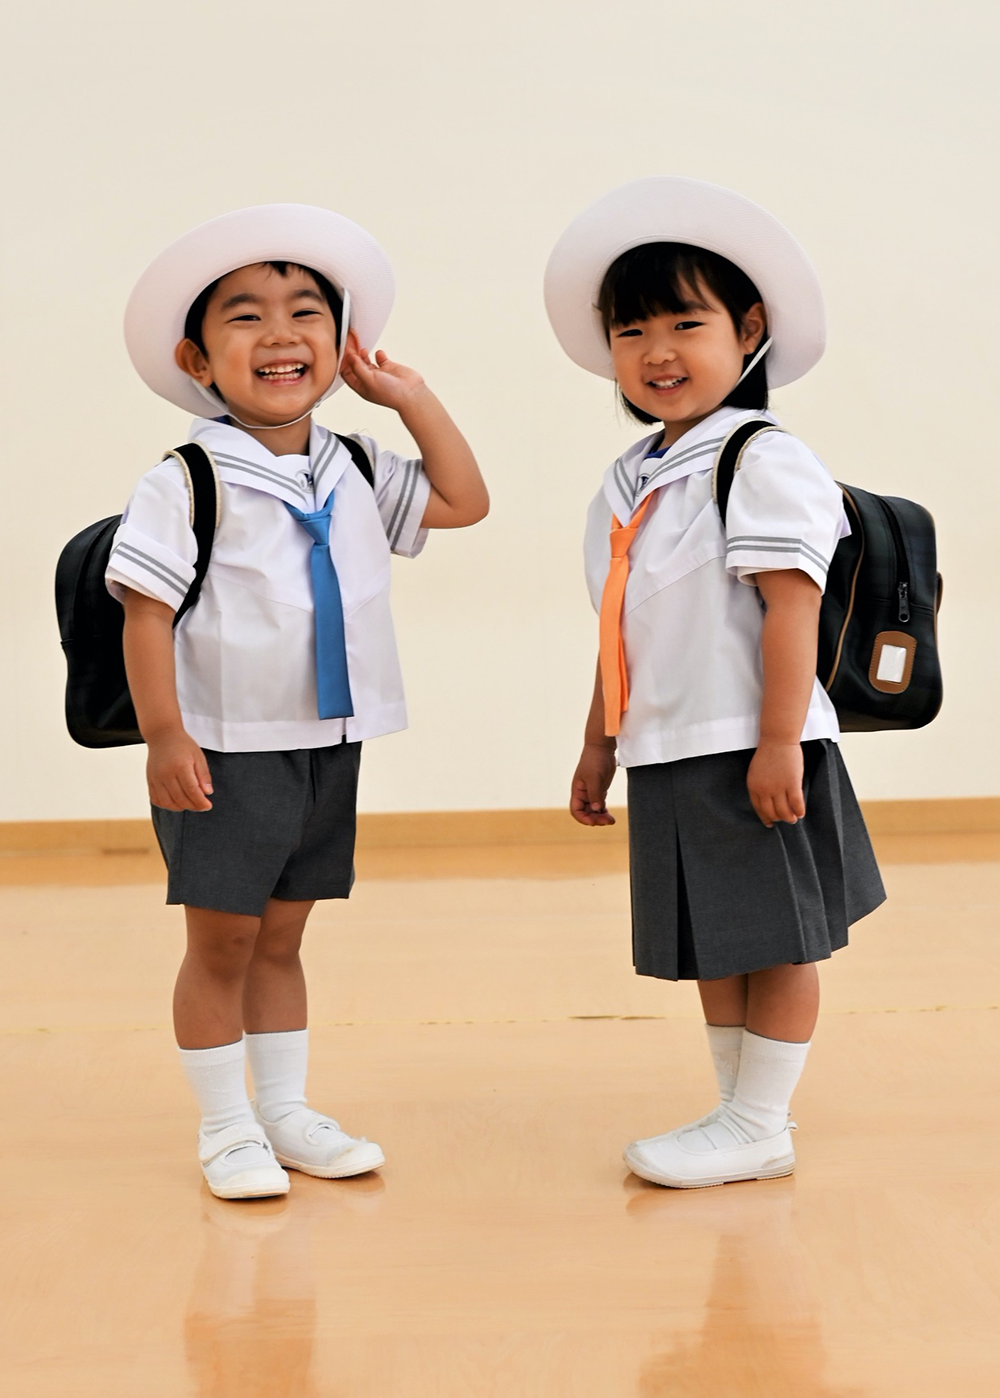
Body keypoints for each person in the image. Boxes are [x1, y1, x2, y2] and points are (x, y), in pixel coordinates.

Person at [107, 203, 488, 1200]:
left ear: (339, 340)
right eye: (246, 316)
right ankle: (225, 1127)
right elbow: (145, 615)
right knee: (222, 940)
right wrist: (164, 736)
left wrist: (408, 399)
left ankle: (282, 1109)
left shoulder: (352, 464)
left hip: (328, 740)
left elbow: (463, 500)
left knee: (283, 936)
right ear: (197, 359)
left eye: (305, 311)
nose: (280, 334)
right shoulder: (187, 480)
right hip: (225, 749)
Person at [544, 177, 884, 1188]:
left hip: (747, 742)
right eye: (632, 331)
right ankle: (740, 1113)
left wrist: (779, 743)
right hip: (670, 745)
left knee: (778, 945)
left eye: (686, 324)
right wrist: (600, 741)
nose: (657, 351)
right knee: (719, 939)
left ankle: (760, 1121)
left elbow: (791, 609)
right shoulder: (633, 477)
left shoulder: (760, 459)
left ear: (749, 332)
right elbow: (622, 625)